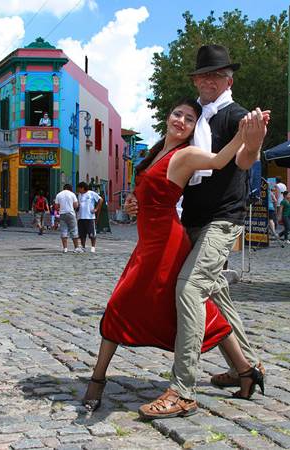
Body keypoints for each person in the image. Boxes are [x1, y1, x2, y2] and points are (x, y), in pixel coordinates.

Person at [82, 98, 269, 415]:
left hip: (166, 244)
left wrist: (243, 132)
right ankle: (246, 369)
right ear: (168, 117)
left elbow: (221, 160)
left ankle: (97, 380)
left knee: (120, 303)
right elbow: (147, 189)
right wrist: (133, 201)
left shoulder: (187, 154)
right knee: (202, 307)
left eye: (189, 119)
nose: (181, 120)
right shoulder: (156, 152)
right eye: (177, 114)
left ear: (194, 129)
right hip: (149, 242)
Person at [125, 45, 268, 418]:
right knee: (215, 294)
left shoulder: (237, 116)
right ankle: (249, 367)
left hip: (222, 219)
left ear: (229, 81)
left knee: (189, 289)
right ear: (195, 80)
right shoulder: (191, 119)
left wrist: (252, 144)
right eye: (203, 75)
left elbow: (242, 160)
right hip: (189, 220)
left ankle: (183, 389)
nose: (208, 80)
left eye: (216, 75)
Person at [55, 184, 83, 253]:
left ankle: (65, 248)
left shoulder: (59, 195)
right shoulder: (72, 194)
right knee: (74, 230)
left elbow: (56, 206)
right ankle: (76, 248)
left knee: (64, 231)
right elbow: (76, 205)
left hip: (62, 214)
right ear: (70, 189)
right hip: (71, 213)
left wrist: (61, 208)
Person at [77, 182, 103, 253]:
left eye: (79, 188)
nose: (78, 190)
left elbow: (100, 200)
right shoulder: (79, 195)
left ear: (82, 188)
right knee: (82, 234)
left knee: (91, 233)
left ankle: (93, 247)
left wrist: (96, 209)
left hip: (89, 217)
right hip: (80, 217)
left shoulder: (91, 193)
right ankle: (83, 246)